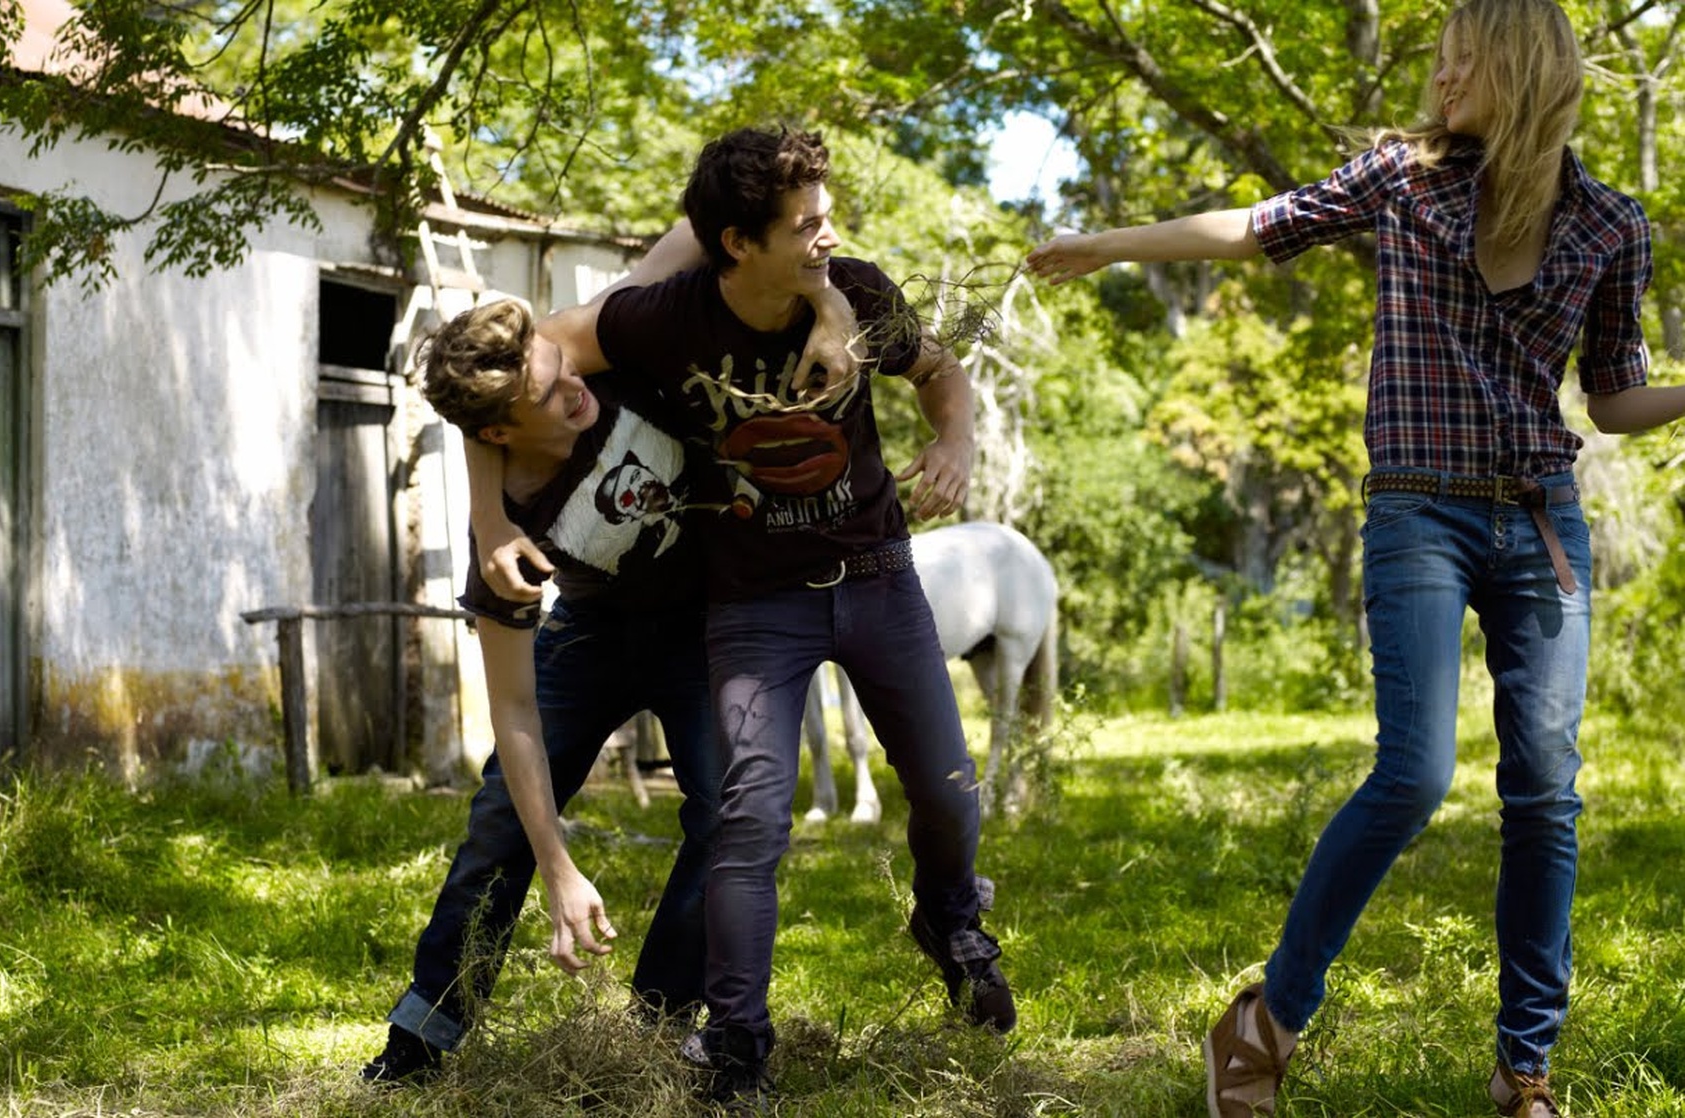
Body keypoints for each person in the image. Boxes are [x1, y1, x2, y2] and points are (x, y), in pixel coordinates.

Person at [1027, 2, 1685, 1115]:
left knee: (1545, 793)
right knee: (1415, 772)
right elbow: (1257, 227)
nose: (1441, 77)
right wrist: (1107, 243)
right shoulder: (1401, 178)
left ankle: (1522, 1069)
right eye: (1438, 59)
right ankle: (1267, 1017)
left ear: (1517, 68)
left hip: (1540, 524)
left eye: (1461, 59)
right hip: (1418, 512)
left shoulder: (1611, 225)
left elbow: (1614, 398)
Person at [469, 126, 1015, 1108]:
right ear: (736, 243)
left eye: (826, 220)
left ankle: (948, 916)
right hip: (757, 603)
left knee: (947, 790)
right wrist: (486, 517)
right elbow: (508, 370)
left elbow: (941, 372)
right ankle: (735, 1042)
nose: (827, 238)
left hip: (878, 576)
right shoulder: (661, 320)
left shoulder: (860, 290)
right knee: (749, 820)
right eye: (805, 227)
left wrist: (955, 443)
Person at [360, 295, 725, 1085]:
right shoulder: (506, 538)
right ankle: (421, 1039)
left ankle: (660, 1024)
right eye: (549, 393)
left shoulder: (582, 357)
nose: (574, 387)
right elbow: (514, 710)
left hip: (707, 627)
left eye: (560, 365)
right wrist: (558, 866)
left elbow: (685, 245)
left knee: (732, 814)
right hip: (593, 633)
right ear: (494, 435)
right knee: (501, 821)